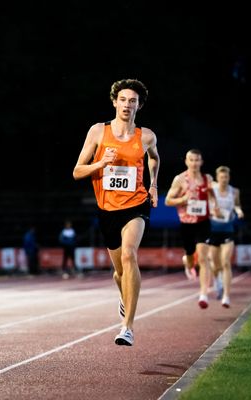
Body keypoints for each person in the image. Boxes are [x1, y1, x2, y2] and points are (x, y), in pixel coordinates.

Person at [73, 78, 160, 346]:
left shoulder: (146, 136)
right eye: (122, 99)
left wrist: (154, 185)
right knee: (119, 272)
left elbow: (154, 157)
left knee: (129, 254)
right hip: (107, 208)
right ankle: (123, 294)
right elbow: (77, 171)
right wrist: (101, 163)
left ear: (139, 106)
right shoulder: (98, 132)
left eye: (132, 101)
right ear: (114, 102)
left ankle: (127, 327)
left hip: (136, 203)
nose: (127, 104)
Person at [165, 149, 217, 309]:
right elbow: (167, 200)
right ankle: (187, 264)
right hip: (187, 223)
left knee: (203, 257)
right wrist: (183, 199)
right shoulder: (180, 179)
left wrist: (214, 206)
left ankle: (203, 294)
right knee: (189, 255)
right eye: (191, 160)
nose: (194, 163)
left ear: (201, 162)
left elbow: (212, 197)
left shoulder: (207, 179)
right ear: (186, 161)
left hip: (203, 222)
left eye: (197, 160)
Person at [206, 166, 244, 308]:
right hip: (213, 229)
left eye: (226, 177)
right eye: (221, 177)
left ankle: (226, 296)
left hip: (227, 229)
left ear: (229, 177)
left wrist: (239, 211)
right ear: (217, 177)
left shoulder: (234, 192)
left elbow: (237, 206)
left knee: (226, 262)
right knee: (215, 264)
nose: (224, 180)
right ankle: (218, 281)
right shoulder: (212, 188)